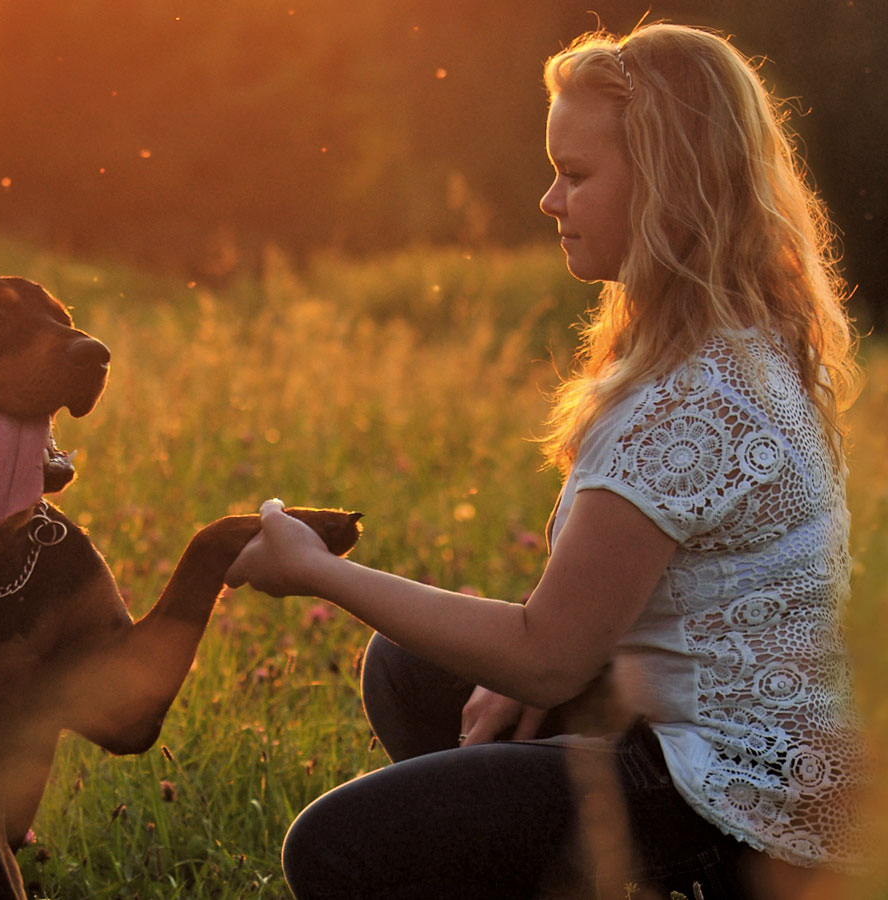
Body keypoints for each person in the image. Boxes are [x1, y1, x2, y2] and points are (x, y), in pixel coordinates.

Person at [224, 22, 867, 900]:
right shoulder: (734, 339)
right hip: (714, 728)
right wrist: (542, 665)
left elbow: (549, 657)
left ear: (667, 187)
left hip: (740, 807)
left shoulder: (693, 403)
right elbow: (632, 608)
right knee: (412, 671)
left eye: (577, 175)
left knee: (335, 849)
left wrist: (320, 573)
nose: (549, 200)